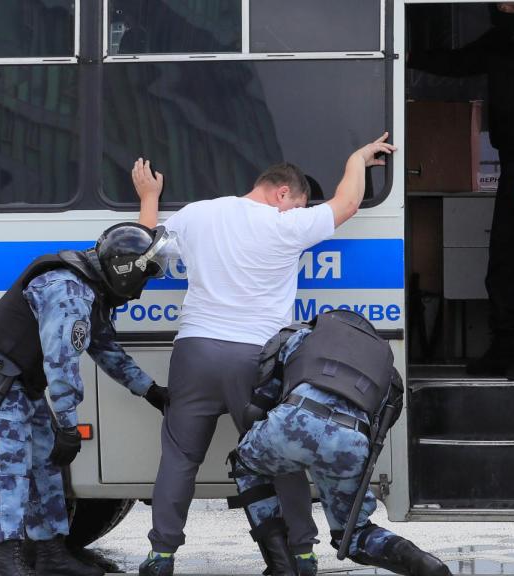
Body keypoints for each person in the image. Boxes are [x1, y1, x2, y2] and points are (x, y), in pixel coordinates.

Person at [133, 133, 396, 576]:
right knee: (280, 455)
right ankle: (303, 553)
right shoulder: (284, 224)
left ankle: (161, 555)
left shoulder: (198, 213)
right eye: (298, 204)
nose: (298, 212)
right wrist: (356, 157)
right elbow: (348, 203)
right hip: (255, 359)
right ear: (282, 193)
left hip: (194, 353)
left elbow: (145, 248)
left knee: (179, 458)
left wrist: (148, 197)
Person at [0, 223, 171, 576]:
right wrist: (68, 426)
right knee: (11, 470)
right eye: (142, 280)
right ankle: (7, 560)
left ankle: (51, 555)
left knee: (46, 468)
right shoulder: (69, 292)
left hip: (21, 385)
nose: (139, 293)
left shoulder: (89, 287)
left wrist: (151, 391)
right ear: (124, 271)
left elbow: (106, 350)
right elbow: (60, 364)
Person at [228, 310, 452, 576]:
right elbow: (378, 434)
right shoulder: (386, 369)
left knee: (246, 465)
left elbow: (254, 411)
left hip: (294, 421)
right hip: (350, 440)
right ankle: (423, 563)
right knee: (354, 535)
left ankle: (282, 567)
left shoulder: (299, 336)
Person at [409, 3, 514, 380]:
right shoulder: (499, 41)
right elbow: (459, 62)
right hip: (513, 167)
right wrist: (408, 54)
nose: (503, 6)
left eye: (513, 1)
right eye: (500, 1)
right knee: (502, 263)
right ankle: (504, 346)